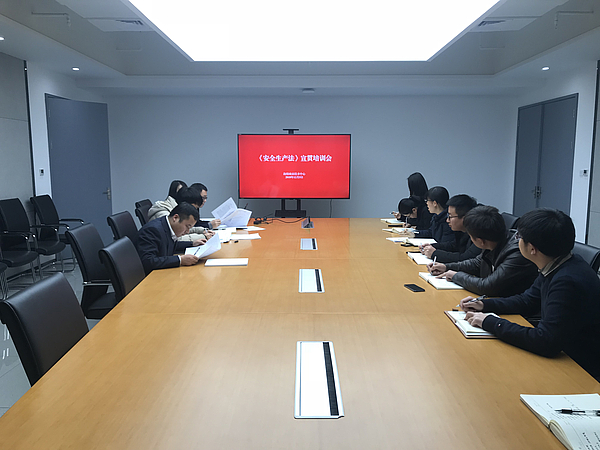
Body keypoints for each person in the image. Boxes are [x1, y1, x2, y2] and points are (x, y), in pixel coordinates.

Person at [461, 208, 600, 381]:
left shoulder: (567, 282)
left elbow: (546, 341)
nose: (516, 240)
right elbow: (527, 300)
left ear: (532, 249)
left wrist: (490, 322)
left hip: (579, 370)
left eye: (519, 237)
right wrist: (484, 305)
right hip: (563, 354)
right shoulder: (557, 264)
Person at [429, 205, 538, 297]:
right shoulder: (495, 241)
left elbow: (487, 286)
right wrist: (446, 267)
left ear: (481, 241)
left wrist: (455, 276)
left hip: (513, 308)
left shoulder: (516, 253)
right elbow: (477, 263)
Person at [136, 202, 205, 275]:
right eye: (187, 226)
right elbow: (148, 261)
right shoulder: (153, 230)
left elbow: (168, 245)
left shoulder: (166, 225)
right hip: (150, 276)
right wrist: (180, 260)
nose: (187, 231)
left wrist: (192, 244)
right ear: (175, 218)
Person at [420, 194, 481, 263]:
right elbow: (454, 246)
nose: (447, 220)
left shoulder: (479, 234)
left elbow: (465, 258)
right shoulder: (462, 231)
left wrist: (434, 253)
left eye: (450, 216)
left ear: (465, 218)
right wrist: (432, 246)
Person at [148, 186, 212, 241]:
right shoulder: (164, 213)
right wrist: (203, 236)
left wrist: (202, 231)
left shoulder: (177, 210)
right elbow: (175, 238)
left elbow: (184, 228)